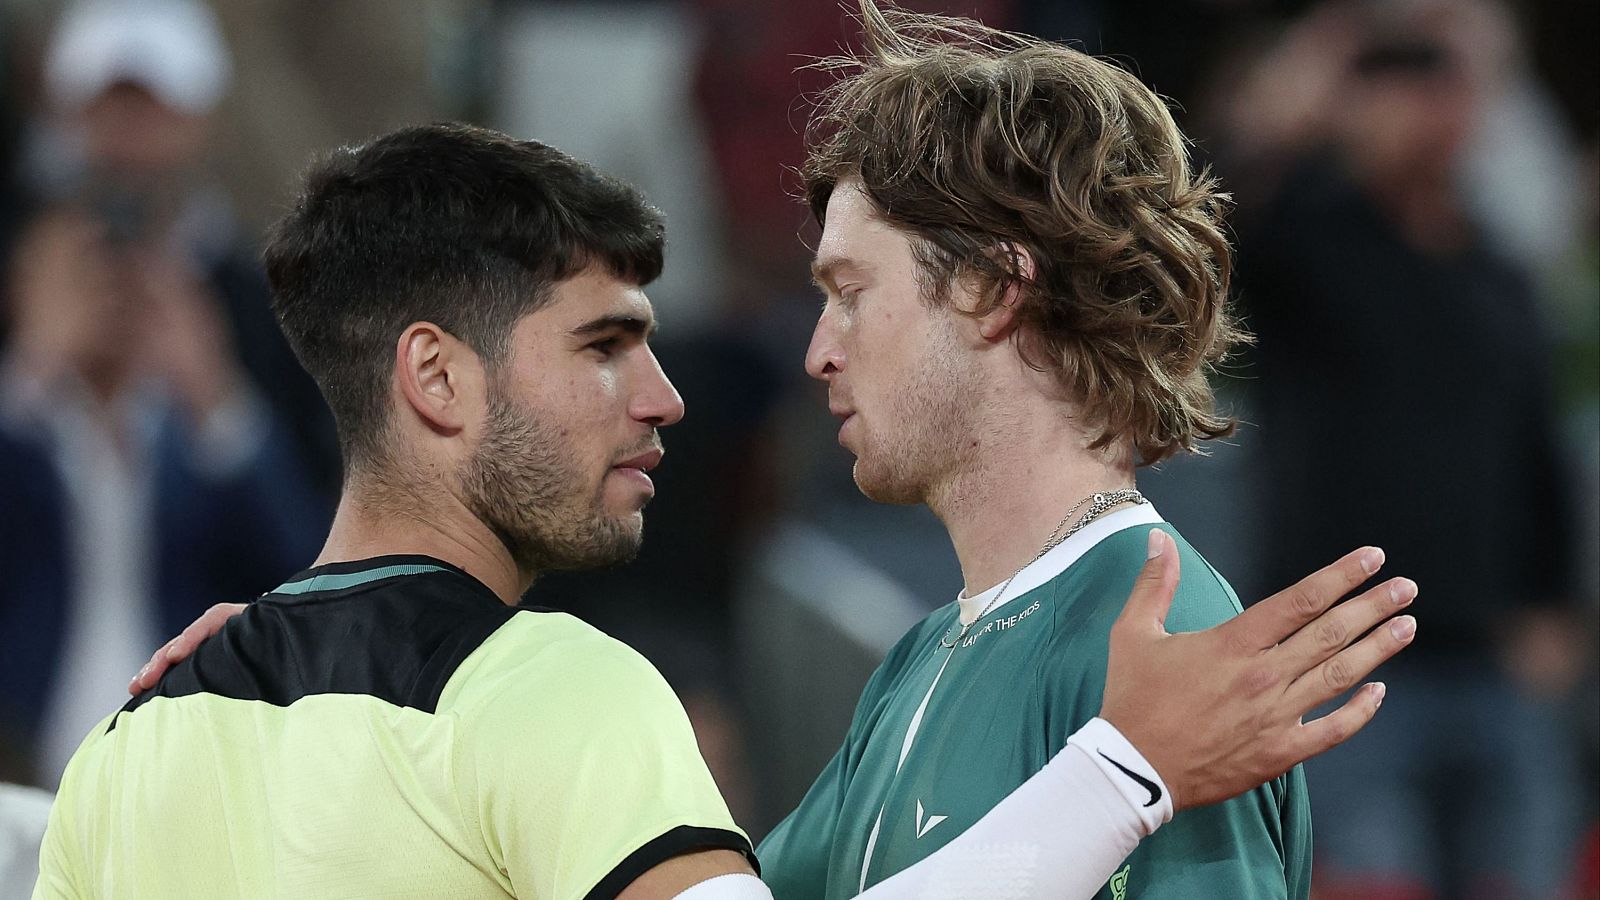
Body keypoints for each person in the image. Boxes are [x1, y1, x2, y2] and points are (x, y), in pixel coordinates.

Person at [64, 123, 1413, 900]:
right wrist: (1125, 773)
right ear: (436, 376)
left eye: (848, 291)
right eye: (601, 346)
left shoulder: (132, 746)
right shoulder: (552, 692)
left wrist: (297, 646)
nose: (665, 397)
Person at [751, 4, 1386, 898]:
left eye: (851, 291)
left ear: (991, 291)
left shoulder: (1161, 644)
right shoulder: (922, 654)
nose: (820, 350)